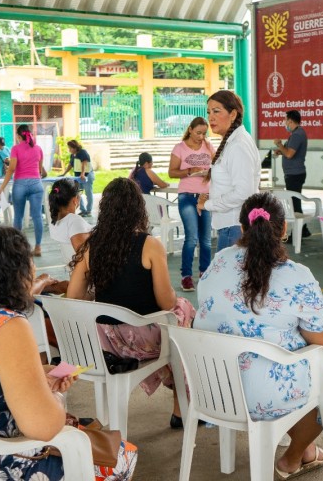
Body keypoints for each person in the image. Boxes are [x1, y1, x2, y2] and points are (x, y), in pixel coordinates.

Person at [0, 226, 137, 480]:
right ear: (17, 275)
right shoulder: (7, 326)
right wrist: (54, 394)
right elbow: (43, 427)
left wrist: (36, 374)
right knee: (121, 457)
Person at [195, 192, 323, 476]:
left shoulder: (218, 262)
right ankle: (292, 458)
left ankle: (304, 449)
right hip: (261, 396)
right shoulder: (296, 274)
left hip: (214, 388)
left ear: (243, 228)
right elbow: (322, 344)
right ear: (283, 229)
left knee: (290, 367)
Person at [67, 177, 196, 429]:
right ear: (138, 208)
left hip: (103, 340)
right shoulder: (149, 244)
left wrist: (103, 296)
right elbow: (166, 301)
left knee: (176, 322)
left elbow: (73, 298)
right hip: (141, 338)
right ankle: (181, 406)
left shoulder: (92, 245)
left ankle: (181, 402)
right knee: (183, 311)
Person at [198, 90, 260, 252]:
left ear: (233, 114)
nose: (210, 117)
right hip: (231, 224)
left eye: (216, 111)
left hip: (234, 226)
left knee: (228, 277)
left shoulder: (238, 145)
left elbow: (243, 192)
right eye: (209, 112)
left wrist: (209, 204)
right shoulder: (233, 142)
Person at [168, 117, 214, 292]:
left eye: (204, 133)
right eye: (198, 133)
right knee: (192, 237)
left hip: (206, 195)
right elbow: (171, 172)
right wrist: (190, 171)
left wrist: (209, 172)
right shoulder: (180, 148)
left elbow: (218, 165)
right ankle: (186, 276)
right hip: (187, 196)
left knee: (206, 240)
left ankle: (205, 272)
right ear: (190, 129)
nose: (201, 137)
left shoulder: (208, 146)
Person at [0, 125, 47, 257]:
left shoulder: (15, 149)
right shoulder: (38, 148)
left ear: (19, 136)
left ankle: (17, 248)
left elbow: (11, 169)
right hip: (36, 184)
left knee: (18, 216)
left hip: (20, 184)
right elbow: (40, 170)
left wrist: (1, 188)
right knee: (37, 217)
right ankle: (38, 247)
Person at [273, 110, 309, 222]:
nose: (284, 123)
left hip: (294, 174)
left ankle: (298, 231)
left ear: (290, 121)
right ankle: (303, 229)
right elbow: (288, 151)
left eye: (285, 120)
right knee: (295, 203)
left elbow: (289, 154)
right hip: (293, 173)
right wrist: (281, 151)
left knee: (294, 204)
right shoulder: (296, 134)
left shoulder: (297, 135)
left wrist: (279, 144)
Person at [48, 178, 91, 258]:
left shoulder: (54, 221)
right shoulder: (74, 222)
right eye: (80, 193)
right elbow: (84, 258)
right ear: (75, 200)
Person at [63, 140, 94, 216]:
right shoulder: (72, 155)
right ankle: (83, 210)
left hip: (86, 175)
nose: (69, 150)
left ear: (74, 147)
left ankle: (89, 210)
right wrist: (64, 173)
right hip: (78, 177)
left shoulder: (82, 152)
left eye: (70, 148)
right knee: (77, 193)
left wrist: (82, 174)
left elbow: (84, 163)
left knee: (88, 193)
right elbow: (70, 165)